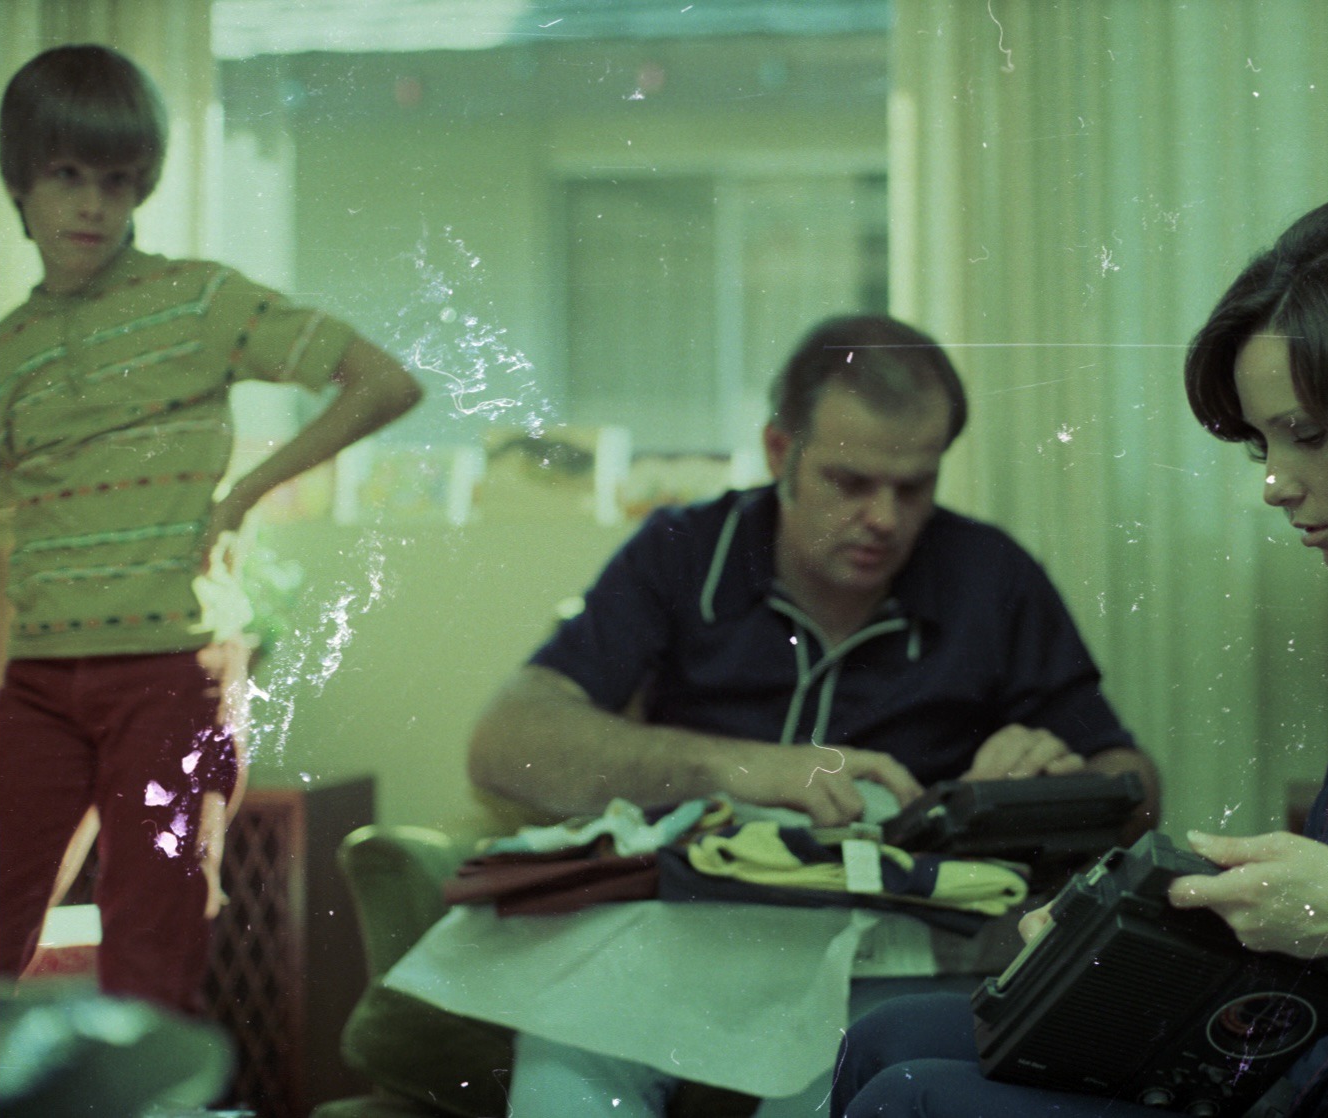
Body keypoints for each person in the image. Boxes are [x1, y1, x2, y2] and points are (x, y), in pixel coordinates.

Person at [828, 188, 1328, 1118]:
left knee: (912, 1101)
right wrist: (1128, 931)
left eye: (1304, 436)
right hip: (1314, 1069)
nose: (1273, 483)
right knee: (885, 1039)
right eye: (1263, 442)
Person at [468, 311, 1159, 1115]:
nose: (885, 520)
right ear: (777, 452)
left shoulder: (991, 578)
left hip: (882, 961)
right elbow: (504, 741)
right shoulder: (684, 552)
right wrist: (744, 765)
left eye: (914, 487)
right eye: (850, 482)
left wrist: (1059, 779)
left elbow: (1136, 786)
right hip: (683, 937)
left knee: (853, 1073)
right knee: (568, 1062)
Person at [0, 44, 423, 1016]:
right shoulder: (5, 355)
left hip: (169, 678)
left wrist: (245, 493)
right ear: (19, 180)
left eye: (117, 180)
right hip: (38, 689)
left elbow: (385, 380)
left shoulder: (198, 300)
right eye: (66, 175)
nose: (92, 205)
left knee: (152, 945)